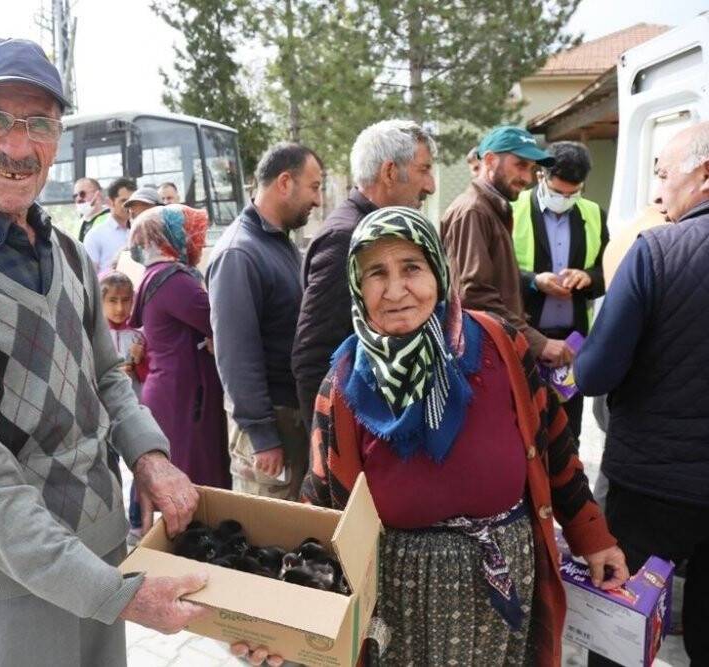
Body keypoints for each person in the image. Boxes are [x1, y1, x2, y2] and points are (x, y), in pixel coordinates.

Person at [0, 37, 207, 667]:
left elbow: (106, 374)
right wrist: (118, 596)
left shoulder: (68, 253)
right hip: (7, 585)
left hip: (104, 552)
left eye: (40, 123)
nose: (19, 147)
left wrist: (150, 456)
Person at [301, 206, 626, 666]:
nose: (395, 290)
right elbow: (318, 505)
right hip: (400, 601)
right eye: (376, 273)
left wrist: (593, 536)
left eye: (411, 268)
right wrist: (295, 610)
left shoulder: (500, 343)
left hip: (506, 580)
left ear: (438, 269)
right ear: (356, 284)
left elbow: (554, 445)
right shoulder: (344, 382)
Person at [574, 121, 709, 666]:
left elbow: (594, 374)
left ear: (704, 175)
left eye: (663, 174)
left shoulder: (656, 251)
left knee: (620, 634)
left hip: (651, 486)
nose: (658, 191)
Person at [292, 120, 436, 428]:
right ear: (389, 172)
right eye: (424, 170)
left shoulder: (382, 233)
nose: (431, 185)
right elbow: (313, 357)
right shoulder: (346, 239)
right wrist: (330, 446)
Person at [206, 142, 323, 500]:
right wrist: (263, 435)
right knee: (269, 526)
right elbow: (236, 356)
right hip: (270, 429)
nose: (318, 199)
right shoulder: (238, 253)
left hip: (289, 419)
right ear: (285, 182)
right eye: (314, 187)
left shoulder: (275, 243)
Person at [441, 126, 569, 367]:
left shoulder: (492, 208)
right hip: (481, 358)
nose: (527, 178)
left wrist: (534, 281)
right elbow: (474, 295)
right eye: (520, 165)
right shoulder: (473, 211)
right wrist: (537, 342)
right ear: (490, 160)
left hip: (497, 351)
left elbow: (493, 279)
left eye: (531, 169)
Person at [512, 141, 610, 438]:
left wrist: (588, 278)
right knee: (525, 429)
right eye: (557, 192)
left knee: (567, 433)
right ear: (541, 176)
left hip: (572, 344)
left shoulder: (594, 214)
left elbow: (610, 270)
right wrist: (534, 280)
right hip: (525, 337)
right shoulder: (512, 209)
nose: (565, 199)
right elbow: (496, 275)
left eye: (573, 193)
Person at [129, 205, 230, 489]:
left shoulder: (158, 274)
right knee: (195, 486)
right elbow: (220, 323)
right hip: (184, 398)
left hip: (175, 391)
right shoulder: (173, 280)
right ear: (170, 237)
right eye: (192, 234)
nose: (198, 241)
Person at [99, 270, 148, 544]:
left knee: (140, 465)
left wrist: (140, 363)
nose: (120, 308)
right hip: (103, 416)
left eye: (126, 300)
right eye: (112, 301)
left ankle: (138, 523)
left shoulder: (140, 335)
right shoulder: (96, 335)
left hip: (135, 412)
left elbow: (151, 375)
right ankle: (113, 523)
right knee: (109, 470)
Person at [84, 176, 135, 273]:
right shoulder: (95, 235)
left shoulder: (141, 231)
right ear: (110, 202)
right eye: (123, 201)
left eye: (132, 201)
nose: (129, 206)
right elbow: (90, 275)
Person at [74, 176, 108, 242]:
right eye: (75, 196)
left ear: (97, 194)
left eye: (82, 194)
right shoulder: (79, 223)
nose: (78, 198)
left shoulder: (112, 219)